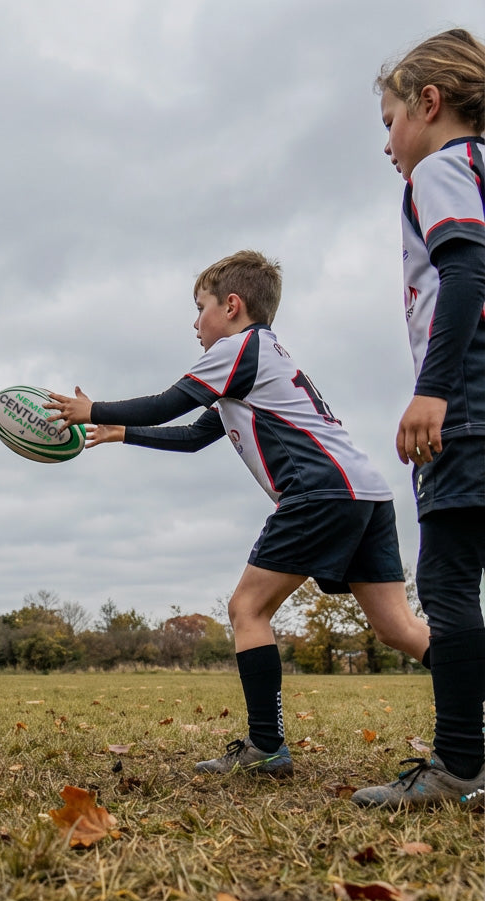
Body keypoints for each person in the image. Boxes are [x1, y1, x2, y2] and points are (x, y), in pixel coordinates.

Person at [45, 250, 430, 780]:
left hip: (320, 492)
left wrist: (94, 410)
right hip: (365, 492)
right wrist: (122, 432)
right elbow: (192, 436)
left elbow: (166, 403)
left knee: (247, 608)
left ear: (231, 306)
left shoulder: (238, 348)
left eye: (199, 308)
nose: (194, 324)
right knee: (398, 628)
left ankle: (266, 747)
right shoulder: (260, 359)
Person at [348, 29, 485, 809]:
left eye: (391, 121)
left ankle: (461, 765)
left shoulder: (443, 167)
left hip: (468, 403)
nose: (388, 144)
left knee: (447, 579)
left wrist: (433, 390)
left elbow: (464, 271)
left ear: (429, 104)